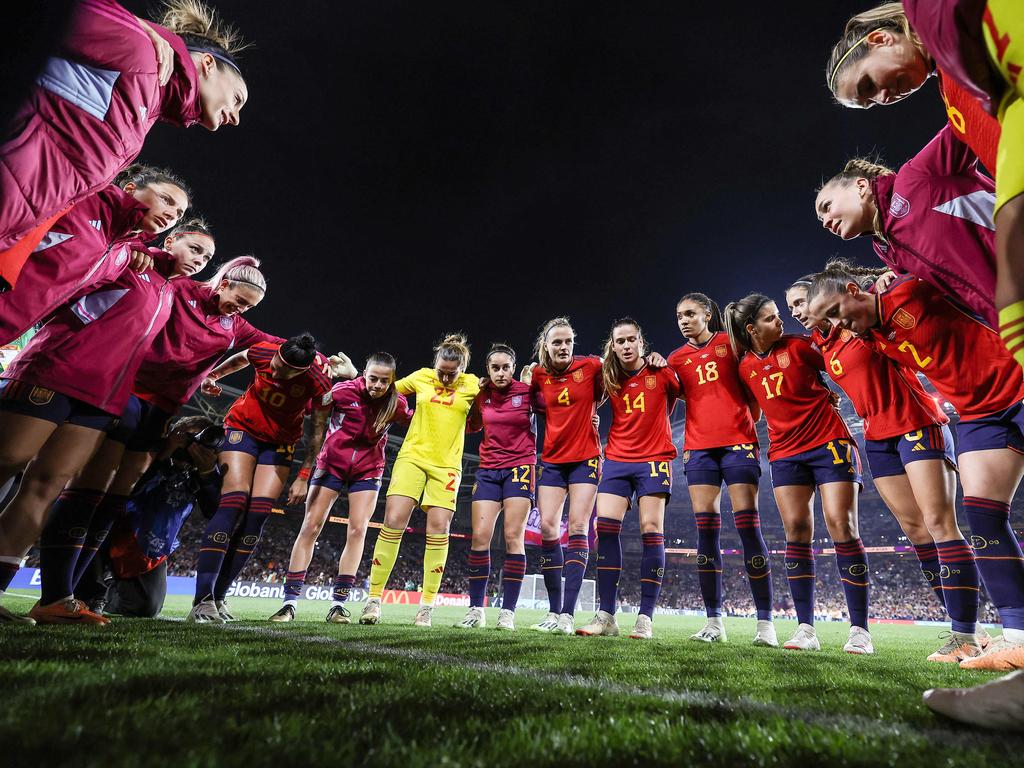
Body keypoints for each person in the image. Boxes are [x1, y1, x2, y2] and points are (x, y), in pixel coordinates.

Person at [808, 268, 1024, 671]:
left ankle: (970, 629)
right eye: (824, 317)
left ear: (851, 290)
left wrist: (892, 275)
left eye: (818, 308)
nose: (826, 320)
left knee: (944, 523)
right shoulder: (846, 338)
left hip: (924, 421)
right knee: (940, 525)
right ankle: (978, 635)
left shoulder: (900, 298)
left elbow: (949, 268)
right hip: (921, 426)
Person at [49, 255, 273, 624]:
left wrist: (320, 361)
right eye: (240, 299)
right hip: (125, 391)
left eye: (249, 307)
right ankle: (65, 590)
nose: (241, 309)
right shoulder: (181, 289)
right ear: (225, 283)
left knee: (143, 600)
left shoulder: (234, 326)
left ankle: (84, 594)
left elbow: (276, 346)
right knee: (94, 486)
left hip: (162, 409)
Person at [824, 1, 1024, 368]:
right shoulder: (891, 253)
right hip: (1009, 320)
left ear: (881, 39)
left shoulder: (915, 178)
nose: (883, 99)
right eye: (869, 103)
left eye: (868, 84)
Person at [0, 240, 184, 624]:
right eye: (194, 247)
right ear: (171, 241)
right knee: (8, 462)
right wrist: (127, 246)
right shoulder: (123, 253)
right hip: (55, 370)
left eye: (205, 255)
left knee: (46, 486)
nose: (199, 258)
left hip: (103, 396)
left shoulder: (168, 291)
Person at [0, 0, 247, 284]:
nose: (236, 118)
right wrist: (125, 21)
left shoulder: (145, 111)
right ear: (207, 63)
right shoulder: (138, 49)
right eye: (238, 99)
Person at [725, 294, 873, 654]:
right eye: (771, 318)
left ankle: (860, 631)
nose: (781, 322)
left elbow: (840, 364)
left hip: (829, 442)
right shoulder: (744, 366)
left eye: (780, 315)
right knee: (796, 532)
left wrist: (829, 392)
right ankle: (806, 628)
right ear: (751, 329)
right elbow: (757, 411)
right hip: (785, 453)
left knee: (841, 525)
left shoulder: (799, 346)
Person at [187, 333, 339, 623]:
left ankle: (218, 597)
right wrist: (214, 375)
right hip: (242, 428)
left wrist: (304, 475)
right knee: (234, 502)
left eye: (283, 370)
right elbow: (241, 358)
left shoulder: (318, 382)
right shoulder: (264, 352)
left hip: (279, 443)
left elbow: (318, 432)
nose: (275, 369)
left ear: (302, 371)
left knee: (257, 516)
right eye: (276, 362)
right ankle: (201, 601)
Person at [668, 293, 776, 646]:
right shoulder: (675, 359)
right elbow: (677, 396)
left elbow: (753, 385)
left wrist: (747, 418)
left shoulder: (731, 344)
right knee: (707, 534)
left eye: (690, 314)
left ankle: (765, 624)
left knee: (748, 528)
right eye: (679, 315)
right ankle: (714, 622)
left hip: (739, 444)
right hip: (698, 449)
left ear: (708, 314)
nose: (683, 320)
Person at [268, 352, 408, 624]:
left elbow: (417, 421)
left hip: (368, 470)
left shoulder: (397, 404)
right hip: (330, 465)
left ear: (392, 381)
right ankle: (289, 603)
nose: (377, 385)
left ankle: (338, 605)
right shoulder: (343, 390)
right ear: (364, 374)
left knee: (358, 530)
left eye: (384, 381)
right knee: (311, 525)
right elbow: (310, 407)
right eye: (372, 379)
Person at [813, 127, 997, 327]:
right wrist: (896, 279)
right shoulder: (886, 250)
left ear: (861, 186)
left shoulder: (914, 177)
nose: (826, 223)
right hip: (1007, 315)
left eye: (827, 206)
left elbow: (964, 120)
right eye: (821, 221)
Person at [0, 164, 196, 344]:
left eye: (178, 214)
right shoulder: (83, 201)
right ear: (130, 189)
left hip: (12, 332)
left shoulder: (121, 256)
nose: (171, 215)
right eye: (166, 200)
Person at [359, 334, 480, 628]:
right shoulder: (422, 377)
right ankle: (373, 600)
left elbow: (497, 404)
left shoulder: (473, 384)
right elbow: (382, 391)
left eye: (452, 373)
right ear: (435, 365)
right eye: (442, 371)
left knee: (439, 528)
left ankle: (426, 607)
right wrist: (354, 375)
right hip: (412, 456)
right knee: (394, 520)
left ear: (463, 368)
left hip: (447, 465)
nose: (446, 377)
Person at [575, 319, 678, 640]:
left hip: (655, 458)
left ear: (641, 341)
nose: (626, 345)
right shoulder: (608, 376)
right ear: (613, 345)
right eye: (620, 341)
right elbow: (580, 394)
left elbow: (684, 401)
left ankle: (645, 618)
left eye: (631, 339)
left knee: (651, 529)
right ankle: (606, 616)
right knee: (603, 528)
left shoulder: (661, 372)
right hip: (617, 458)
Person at [76, 416, 222, 618]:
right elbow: (129, 488)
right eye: (188, 436)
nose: (192, 444)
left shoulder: (200, 472)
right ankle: (92, 593)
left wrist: (207, 474)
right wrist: (164, 454)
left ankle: (109, 594)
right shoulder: (149, 451)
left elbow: (215, 513)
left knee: (147, 608)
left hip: (150, 546)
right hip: (113, 530)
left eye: (199, 438)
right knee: (96, 524)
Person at [520, 318, 603, 635]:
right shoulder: (539, 374)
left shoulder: (592, 366)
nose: (564, 347)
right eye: (557, 342)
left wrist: (594, 407)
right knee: (549, 529)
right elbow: (531, 403)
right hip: (552, 460)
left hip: (585, 457)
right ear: (546, 346)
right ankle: (553, 613)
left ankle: (568, 615)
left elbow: (610, 385)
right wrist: (524, 381)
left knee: (580, 526)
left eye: (568, 341)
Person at [456, 343, 538, 631]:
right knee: (480, 536)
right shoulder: (482, 395)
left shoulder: (527, 392)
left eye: (505, 367)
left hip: (520, 467)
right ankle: (476, 609)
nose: (500, 373)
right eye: (495, 368)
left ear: (513, 368)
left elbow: (555, 414)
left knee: (513, 535)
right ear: (488, 369)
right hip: (489, 469)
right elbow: (472, 426)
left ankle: (508, 613)